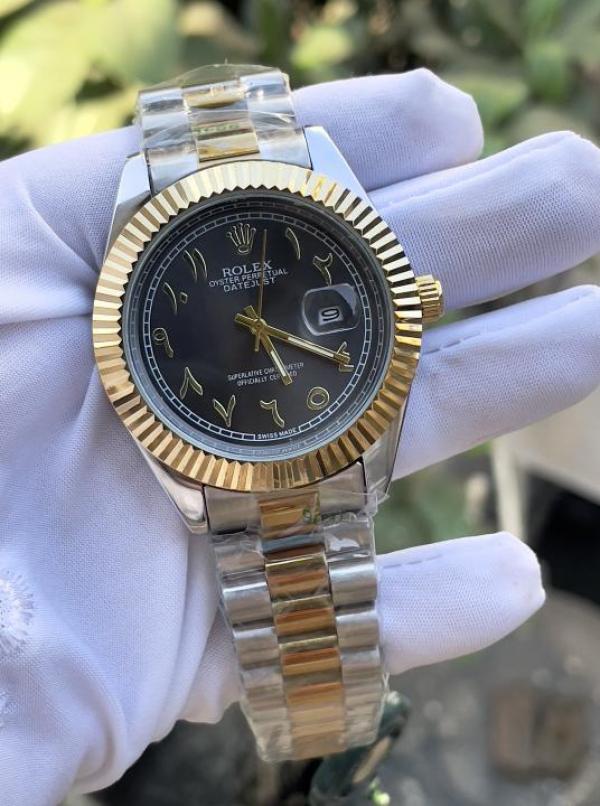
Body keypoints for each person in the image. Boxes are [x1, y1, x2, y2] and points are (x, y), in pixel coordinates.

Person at [1, 69, 599, 805]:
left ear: (409, 300)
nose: (256, 327)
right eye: (251, 323)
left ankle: (319, 743)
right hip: (237, 454)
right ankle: (317, 743)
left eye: (259, 319)